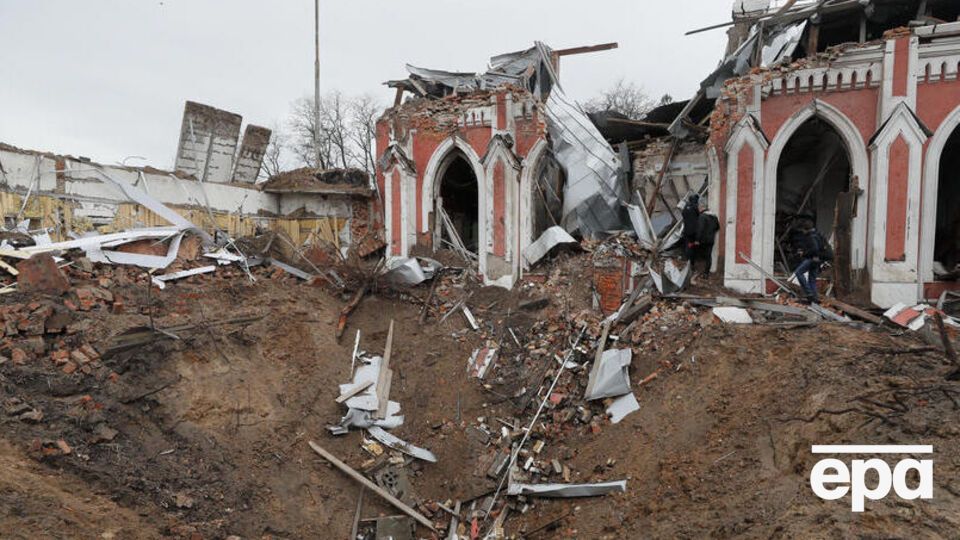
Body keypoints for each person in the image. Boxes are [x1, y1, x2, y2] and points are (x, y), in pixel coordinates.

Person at [793, 220, 832, 303]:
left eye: (802, 230)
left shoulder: (811, 236)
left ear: (805, 229)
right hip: (819, 259)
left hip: (813, 258)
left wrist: (804, 253)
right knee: (812, 279)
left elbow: (814, 249)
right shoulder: (818, 234)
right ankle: (814, 299)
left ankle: (809, 293)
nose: (802, 232)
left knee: (798, 273)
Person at [695, 210, 720, 277]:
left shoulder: (702, 217)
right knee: (708, 256)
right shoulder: (715, 217)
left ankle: (699, 271)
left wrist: (697, 239)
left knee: (701, 255)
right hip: (711, 240)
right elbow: (717, 227)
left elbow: (700, 229)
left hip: (703, 240)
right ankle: (706, 273)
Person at [681, 193, 701, 261]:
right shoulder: (695, 207)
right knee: (694, 245)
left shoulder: (685, 207)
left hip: (686, 230)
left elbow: (683, 215)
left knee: (688, 244)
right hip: (694, 231)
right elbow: (699, 215)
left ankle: (688, 259)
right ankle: (692, 260)